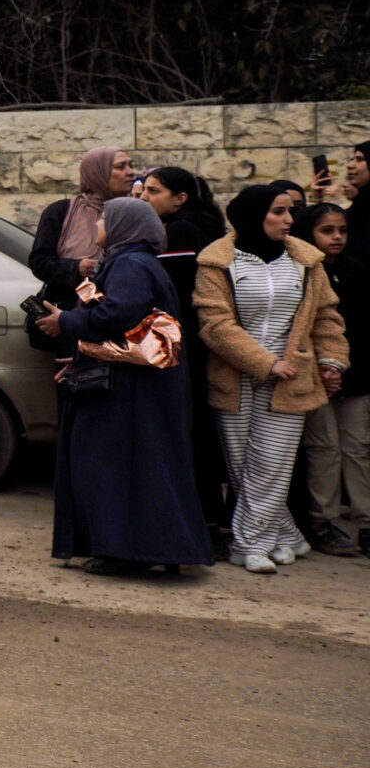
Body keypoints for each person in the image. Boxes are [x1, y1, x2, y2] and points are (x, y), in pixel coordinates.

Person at [31, 198, 212, 573]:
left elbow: (119, 314)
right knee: (134, 465)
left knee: (116, 466)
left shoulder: (130, 264)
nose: (97, 224)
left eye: (103, 219)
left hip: (131, 393)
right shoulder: (131, 261)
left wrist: (65, 322)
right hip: (132, 386)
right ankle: (141, 550)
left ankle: (128, 554)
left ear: (122, 226)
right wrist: (82, 353)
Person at [197, 184, 350, 571]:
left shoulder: (306, 262)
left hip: (292, 377)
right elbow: (215, 326)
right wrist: (266, 363)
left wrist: (332, 360)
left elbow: (327, 318)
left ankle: (248, 546)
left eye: (289, 212)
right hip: (235, 377)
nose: (289, 220)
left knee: (273, 464)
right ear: (253, 216)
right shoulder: (217, 263)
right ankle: (287, 536)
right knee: (244, 466)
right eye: (279, 212)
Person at [145, 165, 233, 542]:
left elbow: (173, 295)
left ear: (180, 198)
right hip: (199, 346)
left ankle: (204, 524)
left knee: (190, 435)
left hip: (183, 347)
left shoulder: (180, 230)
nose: (145, 197)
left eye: (153, 191)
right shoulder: (202, 225)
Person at [294, 202, 368, 555]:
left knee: (357, 449)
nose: (337, 237)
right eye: (327, 230)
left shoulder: (356, 271)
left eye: (342, 230)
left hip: (354, 377)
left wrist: (342, 368)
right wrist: (325, 368)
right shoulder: (302, 271)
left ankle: (364, 520)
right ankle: (324, 522)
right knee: (325, 449)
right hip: (315, 377)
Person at [31, 148, 135, 309]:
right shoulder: (61, 211)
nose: (130, 173)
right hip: (67, 311)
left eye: (131, 165)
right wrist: (76, 267)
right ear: (97, 173)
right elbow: (39, 262)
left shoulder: (137, 213)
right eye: (121, 167)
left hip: (122, 311)